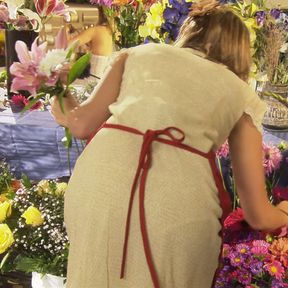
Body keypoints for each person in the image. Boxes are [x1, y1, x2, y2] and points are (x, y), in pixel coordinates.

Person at [51, 0, 288, 287]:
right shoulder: (240, 94)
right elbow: (259, 215)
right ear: (241, 51)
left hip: (97, 181)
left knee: (92, 273)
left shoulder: (139, 54)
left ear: (188, 33)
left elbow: (78, 122)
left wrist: (55, 84)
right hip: (176, 202)